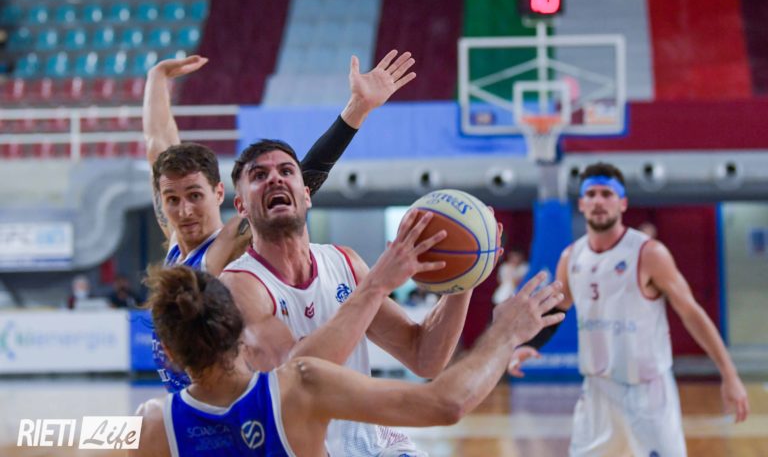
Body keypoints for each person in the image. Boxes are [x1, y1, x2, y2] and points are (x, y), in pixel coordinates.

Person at [219, 139, 516, 456]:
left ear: (306, 195)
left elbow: (424, 357)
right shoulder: (238, 285)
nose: (275, 179)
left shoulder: (344, 263)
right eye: (259, 175)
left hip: (369, 446)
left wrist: (466, 276)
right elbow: (294, 377)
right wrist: (376, 285)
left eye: (286, 171)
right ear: (241, 207)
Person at [144, 50, 416, 392]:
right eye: (173, 199)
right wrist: (156, 78)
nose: (185, 210)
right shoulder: (176, 238)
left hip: (220, 407)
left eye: (195, 196)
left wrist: (355, 112)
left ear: (220, 194)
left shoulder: (229, 240)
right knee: (123, 425)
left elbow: (300, 182)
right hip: (181, 399)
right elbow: (158, 145)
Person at [135, 265, 566, 457]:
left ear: (167, 356)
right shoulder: (300, 385)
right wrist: (505, 334)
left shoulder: (151, 424)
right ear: (239, 329)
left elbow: (93, 435)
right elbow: (446, 403)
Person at [510, 162, 750, 456]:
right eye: (591, 194)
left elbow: (691, 312)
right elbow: (557, 310)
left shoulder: (649, 253)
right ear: (582, 204)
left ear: (622, 203)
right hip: (597, 392)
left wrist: (729, 373)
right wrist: (525, 345)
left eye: (607, 194)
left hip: (648, 393)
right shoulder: (571, 257)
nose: (599, 201)